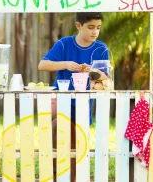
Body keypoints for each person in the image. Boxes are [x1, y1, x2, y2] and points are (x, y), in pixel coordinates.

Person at [38, 12, 110, 181]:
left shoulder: (101, 49)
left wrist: (92, 72)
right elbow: (43, 65)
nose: (95, 32)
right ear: (78, 26)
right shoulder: (65, 44)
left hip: (84, 104)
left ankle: (70, 176)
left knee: (77, 143)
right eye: (90, 27)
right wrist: (65, 64)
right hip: (60, 100)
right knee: (61, 128)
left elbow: (106, 78)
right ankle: (62, 174)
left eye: (98, 28)